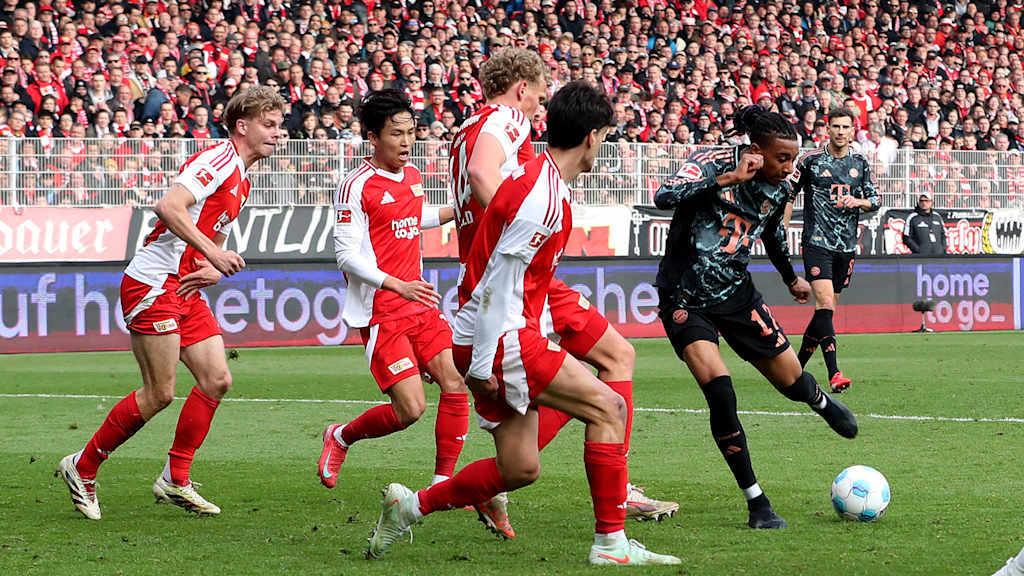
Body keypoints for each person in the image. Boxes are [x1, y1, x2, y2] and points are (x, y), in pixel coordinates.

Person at [365, 81, 680, 566]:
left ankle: (408, 507)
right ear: (593, 137)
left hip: (493, 332)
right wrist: (483, 363)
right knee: (610, 408)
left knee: (520, 467)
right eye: (608, 137)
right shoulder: (543, 196)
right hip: (501, 336)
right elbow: (497, 284)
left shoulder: (536, 178)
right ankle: (611, 544)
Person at [448, 48, 677, 538]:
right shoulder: (506, 119)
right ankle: (617, 494)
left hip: (503, 280)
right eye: (539, 94)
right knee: (615, 362)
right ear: (521, 89)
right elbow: (483, 176)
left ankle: (510, 481)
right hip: (517, 283)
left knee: (602, 370)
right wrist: (521, 218)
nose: (539, 107)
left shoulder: (465, 128)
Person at [56, 86, 286, 520]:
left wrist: (212, 265)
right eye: (269, 125)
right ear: (243, 125)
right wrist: (214, 254)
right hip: (152, 282)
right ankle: (82, 468)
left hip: (184, 286)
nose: (279, 133)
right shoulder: (217, 160)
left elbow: (212, 234)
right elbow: (169, 206)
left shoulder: (243, 179)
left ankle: (175, 478)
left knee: (216, 379)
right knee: (160, 392)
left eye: (279, 125)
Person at [653, 105, 859, 530]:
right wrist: (726, 180)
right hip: (684, 298)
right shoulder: (711, 162)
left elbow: (772, 232)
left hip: (736, 295)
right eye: (781, 158)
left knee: (790, 381)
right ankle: (757, 502)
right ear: (754, 151)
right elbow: (664, 197)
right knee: (721, 391)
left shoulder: (781, 186)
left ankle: (819, 401)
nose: (790, 167)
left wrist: (790, 279)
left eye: (794, 158)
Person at [319, 89, 468, 491]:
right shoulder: (356, 186)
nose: (406, 142)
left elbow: (410, 217)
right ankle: (341, 437)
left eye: (411, 132)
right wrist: (395, 284)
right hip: (382, 310)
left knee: (456, 382)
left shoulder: (414, 176)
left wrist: (458, 210)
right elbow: (346, 256)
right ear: (372, 137)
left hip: (420, 305)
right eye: (396, 134)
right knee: (411, 410)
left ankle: (443, 482)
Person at [784, 108, 880, 393]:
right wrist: (783, 225)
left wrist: (857, 202)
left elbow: (874, 199)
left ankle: (796, 368)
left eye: (845, 127)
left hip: (846, 246)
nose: (840, 131)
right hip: (817, 242)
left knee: (825, 313)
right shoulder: (811, 160)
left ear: (853, 130)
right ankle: (834, 372)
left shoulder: (859, 163)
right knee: (824, 305)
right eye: (835, 126)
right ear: (828, 129)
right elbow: (789, 192)